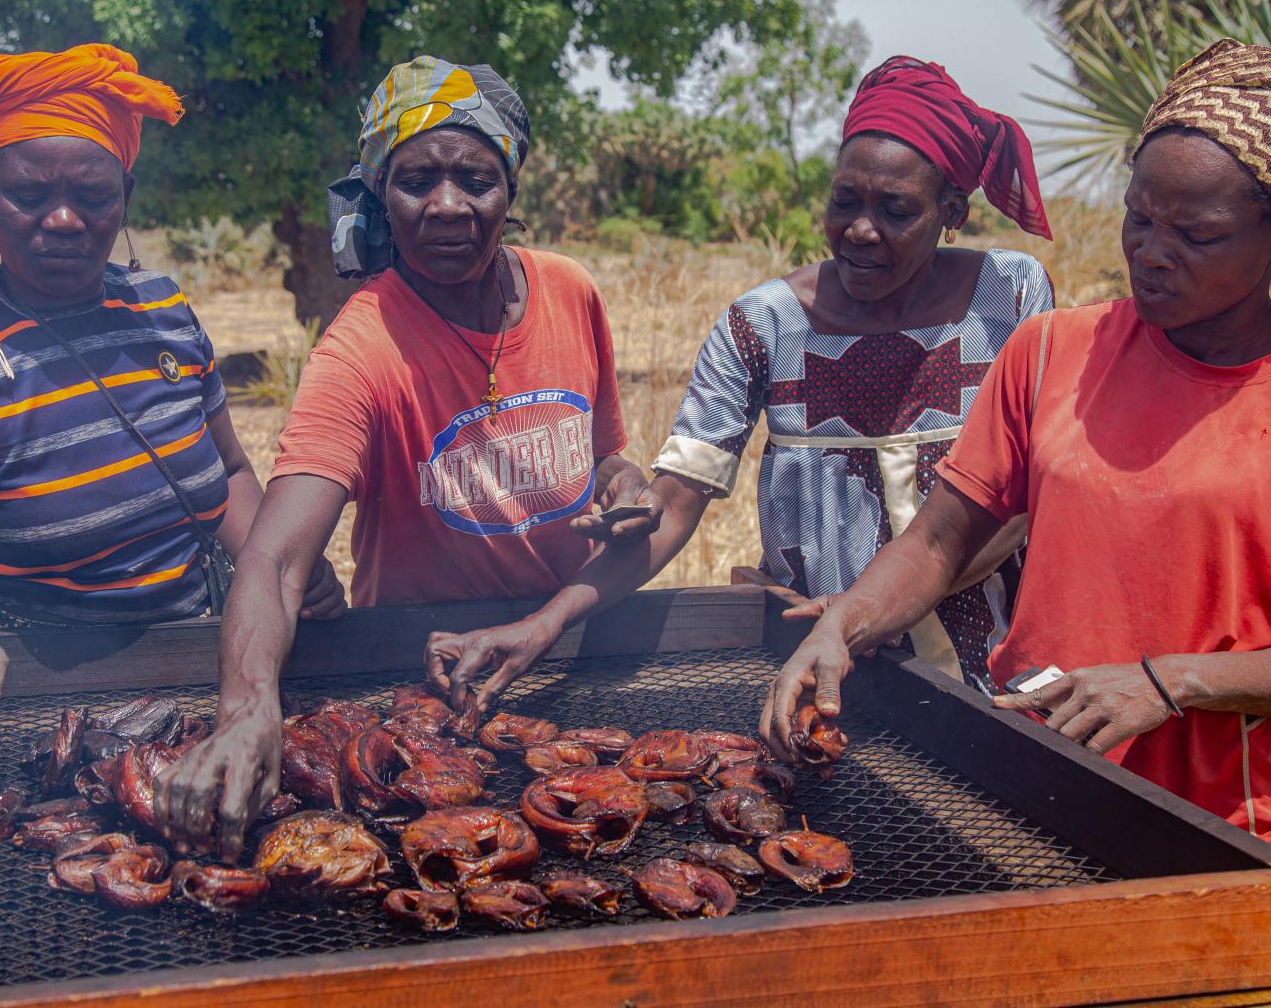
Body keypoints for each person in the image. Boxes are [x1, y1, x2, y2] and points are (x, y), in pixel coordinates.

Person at [763, 39, 1271, 865]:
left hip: (1232, 837)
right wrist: (845, 622)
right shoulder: (1055, 351)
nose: (1151, 251)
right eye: (1140, 217)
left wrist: (1171, 682)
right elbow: (943, 540)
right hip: (1032, 799)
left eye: (1196, 234)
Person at [423, 56, 1056, 709]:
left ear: (952, 210)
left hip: (993, 674)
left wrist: (868, 607)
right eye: (844, 200)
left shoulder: (1009, 297)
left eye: (896, 210)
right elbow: (672, 504)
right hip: (820, 676)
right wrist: (544, 623)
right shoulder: (763, 325)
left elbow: (1024, 497)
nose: (860, 229)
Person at [153, 56, 650, 857]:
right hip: (432, 681)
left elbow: (608, 459)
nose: (447, 207)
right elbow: (277, 558)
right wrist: (248, 711)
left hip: (567, 646)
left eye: (476, 180)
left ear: (511, 187)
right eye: (417, 180)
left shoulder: (570, 291)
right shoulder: (363, 344)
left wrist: (627, 484)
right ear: (380, 191)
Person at [0, 44, 342, 753]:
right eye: (29, 195)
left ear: (126, 198)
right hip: (31, 698)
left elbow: (231, 471)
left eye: (92, 197)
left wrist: (274, 570)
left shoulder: (165, 313)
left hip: (198, 662)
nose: (62, 220)